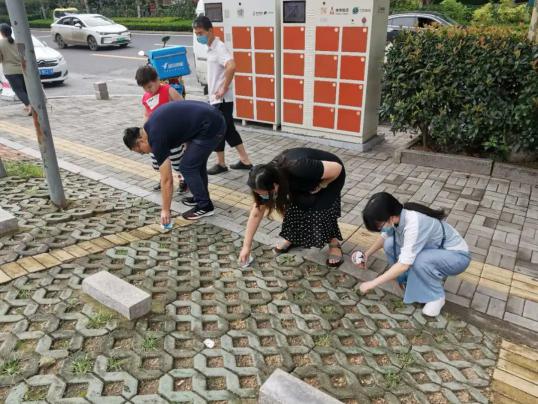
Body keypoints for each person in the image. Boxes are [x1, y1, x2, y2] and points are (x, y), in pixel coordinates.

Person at [356, 192, 471, 317]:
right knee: (389, 243)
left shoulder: (414, 223)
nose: (380, 230)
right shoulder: (399, 215)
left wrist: (372, 283)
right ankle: (407, 280)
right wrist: (366, 255)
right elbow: (384, 238)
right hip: (435, 251)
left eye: (380, 226)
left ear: (391, 217)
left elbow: (404, 265)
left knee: (419, 260)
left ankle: (437, 298)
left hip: (457, 257)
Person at [239, 148, 346, 268]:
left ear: (275, 185)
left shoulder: (298, 166)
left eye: (264, 193)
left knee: (319, 211)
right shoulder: (264, 178)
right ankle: (293, 238)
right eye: (258, 193)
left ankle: (334, 243)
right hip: (303, 180)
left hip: (330, 176)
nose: (262, 196)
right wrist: (246, 247)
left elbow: (337, 168)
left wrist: (321, 185)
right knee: (295, 206)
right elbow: (256, 213)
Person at [123, 100, 226, 221]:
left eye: (141, 151)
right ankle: (201, 197)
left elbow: (167, 180)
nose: (145, 153)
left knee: (187, 167)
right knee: (195, 164)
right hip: (211, 118)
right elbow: (180, 123)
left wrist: (165, 210)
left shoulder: (156, 139)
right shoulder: (149, 127)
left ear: (140, 141)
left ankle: (205, 206)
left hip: (212, 126)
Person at [193, 16, 253, 175]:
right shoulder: (210, 47)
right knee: (227, 130)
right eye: (196, 34)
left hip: (222, 100)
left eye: (200, 33)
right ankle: (243, 160)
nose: (198, 36)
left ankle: (222, 163)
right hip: (217, 99)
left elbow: (232, 66)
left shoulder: (219, 47)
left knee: (219, 130)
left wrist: (223, 88)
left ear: (210, 30)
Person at [135, 65, 187, 195]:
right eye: (145, 88)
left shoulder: (168, 90)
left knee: (176, 160)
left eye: (150, 86)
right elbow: (147, 113)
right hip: (155, 135)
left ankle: (183, 179)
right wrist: (145, 129)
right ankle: (164, 177)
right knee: (157, 161)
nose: (149, 90)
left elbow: (184, 107)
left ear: (158, 79)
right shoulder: (146, 97)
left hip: (172, 134)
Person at [0, 24, 31, 116]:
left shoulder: (0, 43)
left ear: (2, 32)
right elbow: (24, 57)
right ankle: (29, 105)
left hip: (10, 71)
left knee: (18, 90)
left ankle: (29, 106)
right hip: (23, 69)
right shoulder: (19, 42)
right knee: (25, 89)